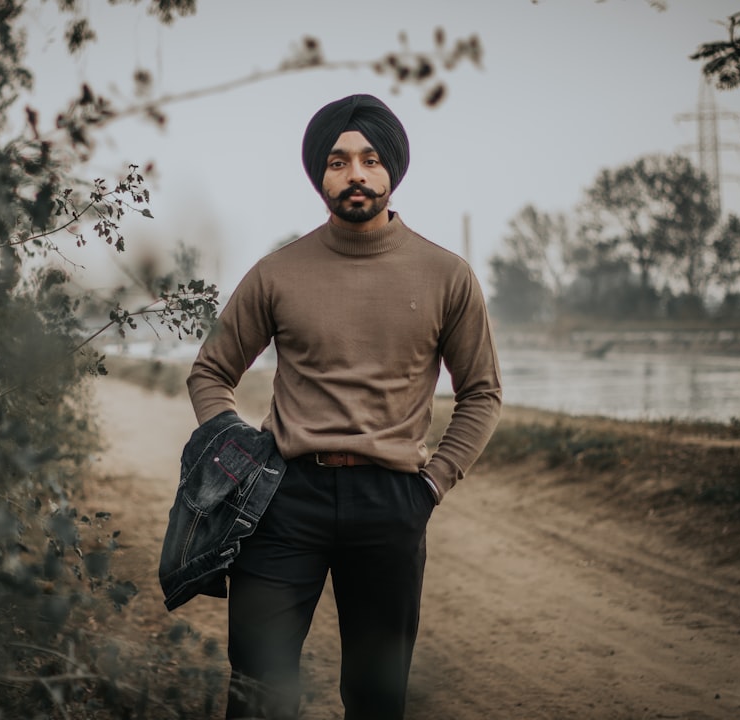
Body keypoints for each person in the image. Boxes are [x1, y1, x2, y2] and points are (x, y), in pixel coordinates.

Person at [186, 93, 503, 720]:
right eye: (337, 161)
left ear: (392, 171)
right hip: (281, 501)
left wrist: (433, 485)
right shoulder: (277, 273)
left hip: (393, 502)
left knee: (376, 695)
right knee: (258, 688)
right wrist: (236, 455)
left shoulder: (448, 275)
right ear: (319, 175)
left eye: (370, 159)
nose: (355, 174)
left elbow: (483, 393)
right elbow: (211, 371)